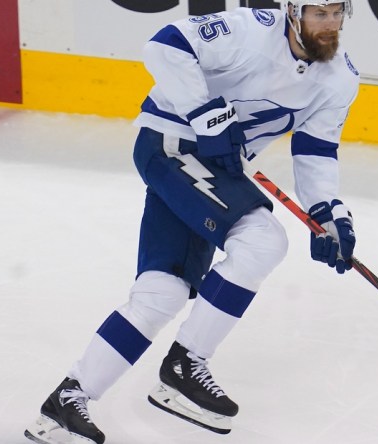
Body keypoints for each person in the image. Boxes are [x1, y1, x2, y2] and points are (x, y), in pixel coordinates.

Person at [24, 1, 359, 442]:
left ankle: (66, 402)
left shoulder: (340, 77)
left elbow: (316, 151)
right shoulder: (250, 30)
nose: (330, 24)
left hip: (215, 169)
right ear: (293, 12)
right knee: (262, 240)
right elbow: (165, 46)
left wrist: (328, 215)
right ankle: (186, 362)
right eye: (320, 14)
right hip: (171, 145)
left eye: (338, 13)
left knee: (162, 293)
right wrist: (207, 115)